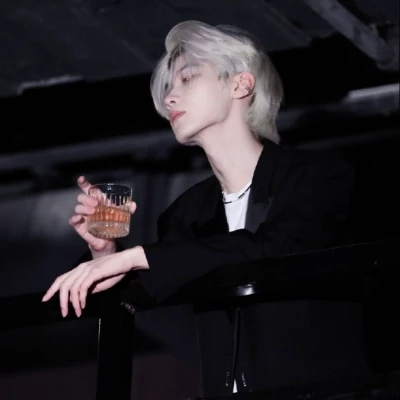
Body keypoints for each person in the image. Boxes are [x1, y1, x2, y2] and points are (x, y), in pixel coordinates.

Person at [42, 20, 373, 396]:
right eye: (168, 87)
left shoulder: (317, 176)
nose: (170, 97)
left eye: (187, 78)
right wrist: (105, 251)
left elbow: (279, 248)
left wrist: (137, 256)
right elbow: (149, 291)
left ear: (240, 85)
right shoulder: (188, 212)